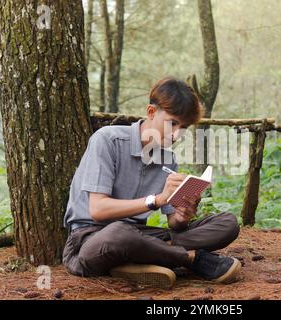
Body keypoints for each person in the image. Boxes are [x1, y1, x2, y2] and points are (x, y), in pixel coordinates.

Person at [62, 77, 241, 288]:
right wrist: (156, 200)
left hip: (140, 236)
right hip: (90, 238)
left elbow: (173, 224)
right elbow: (98, 210)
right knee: (119, 233)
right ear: (151, 112)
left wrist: (183, 214)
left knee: (227, 223)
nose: (177, 134)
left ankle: (139, 259)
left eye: (183, 127)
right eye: (172, 123)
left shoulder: (169, 158)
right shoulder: (108, 140)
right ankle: (192, 259)